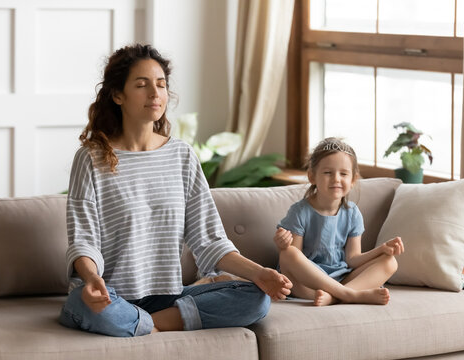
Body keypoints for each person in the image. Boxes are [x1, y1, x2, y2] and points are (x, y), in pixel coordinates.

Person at [58, 43, 292, 337]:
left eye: (161, 85)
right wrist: (91, 279)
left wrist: (259, 273)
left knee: (255, 300)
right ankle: (161, 321)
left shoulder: (181, 155)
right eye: (142, 85)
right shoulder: (92, 158)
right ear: (118, 95)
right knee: (83, 304)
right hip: (109, 296)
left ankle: (143, 324)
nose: (155, 94)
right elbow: (84, 239)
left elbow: (209, 240)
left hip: (167, 296)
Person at [274, 137, 404, 306]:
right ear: (312, 176)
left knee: (390, 261)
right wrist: (283, 244)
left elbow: (353, 259)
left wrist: (382, 249)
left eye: (343, 174)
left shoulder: (352, 213)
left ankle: (336, 297)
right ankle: (350, 295)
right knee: (289, 253)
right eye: (328, 173)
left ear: (353, 180)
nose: (336, 179)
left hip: (341, 278)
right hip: (308, 286)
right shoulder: (299, 212)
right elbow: (295, 257)